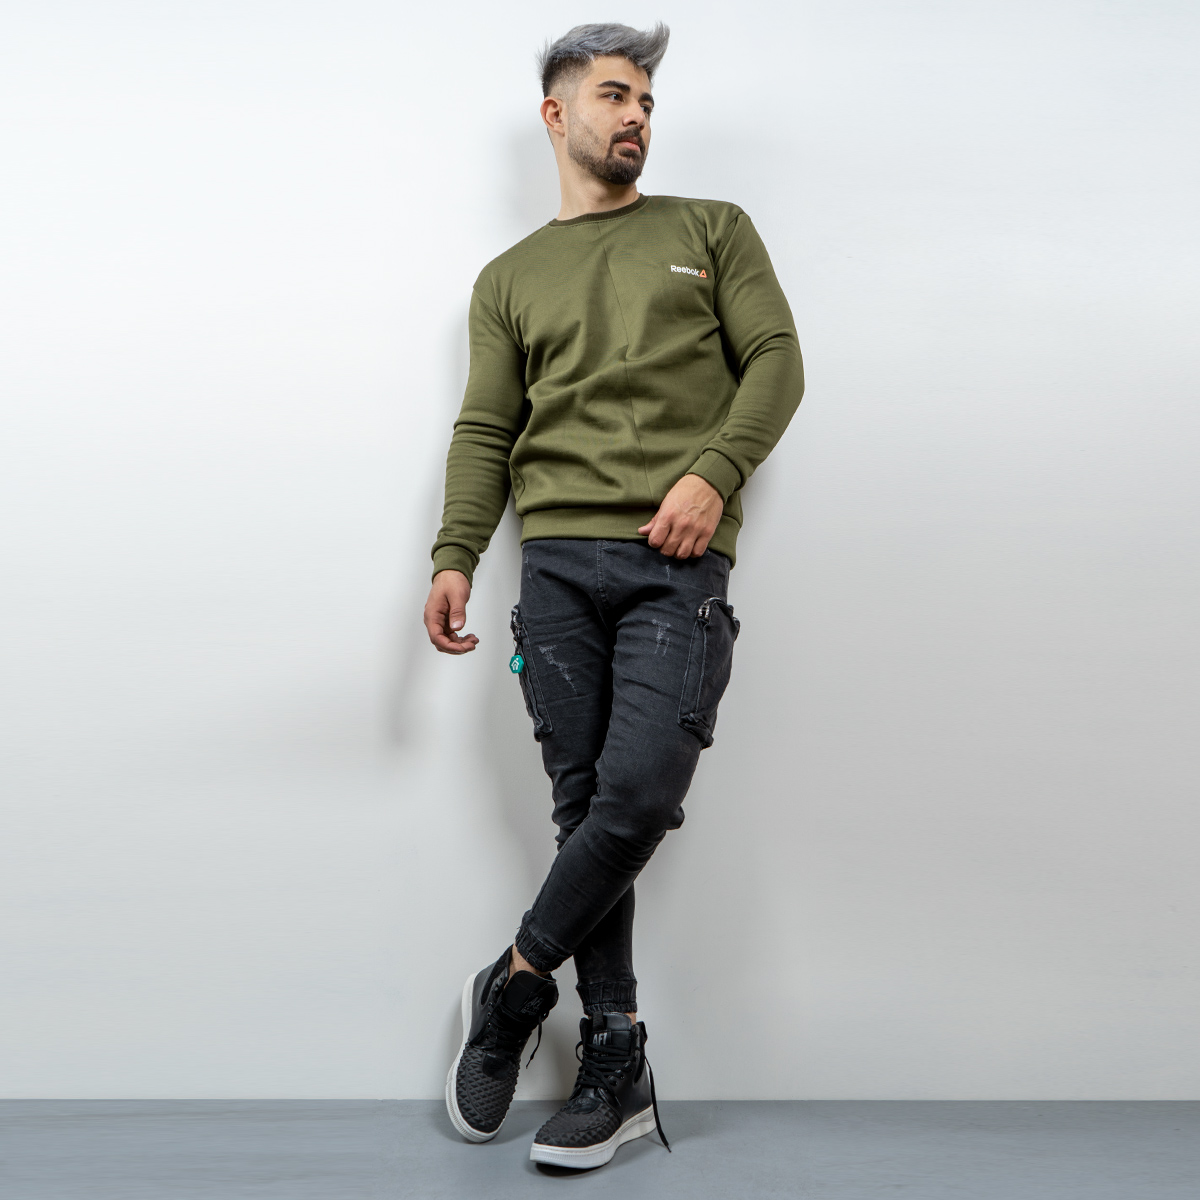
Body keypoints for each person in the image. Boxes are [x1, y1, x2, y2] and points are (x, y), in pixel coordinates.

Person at [425, 22, 804, 1170]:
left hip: (676, 564)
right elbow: (486, 428)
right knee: (586, 808)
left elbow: (777, 361)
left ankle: (514, 984)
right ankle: (617, 1057)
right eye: (613, 95)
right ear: (557, 114)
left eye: (645, 99)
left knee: (634, 798)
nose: (636, 114)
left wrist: (713, 473)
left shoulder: (710, 230)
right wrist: (454, 552)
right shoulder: (508, 279)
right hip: (551, 568)